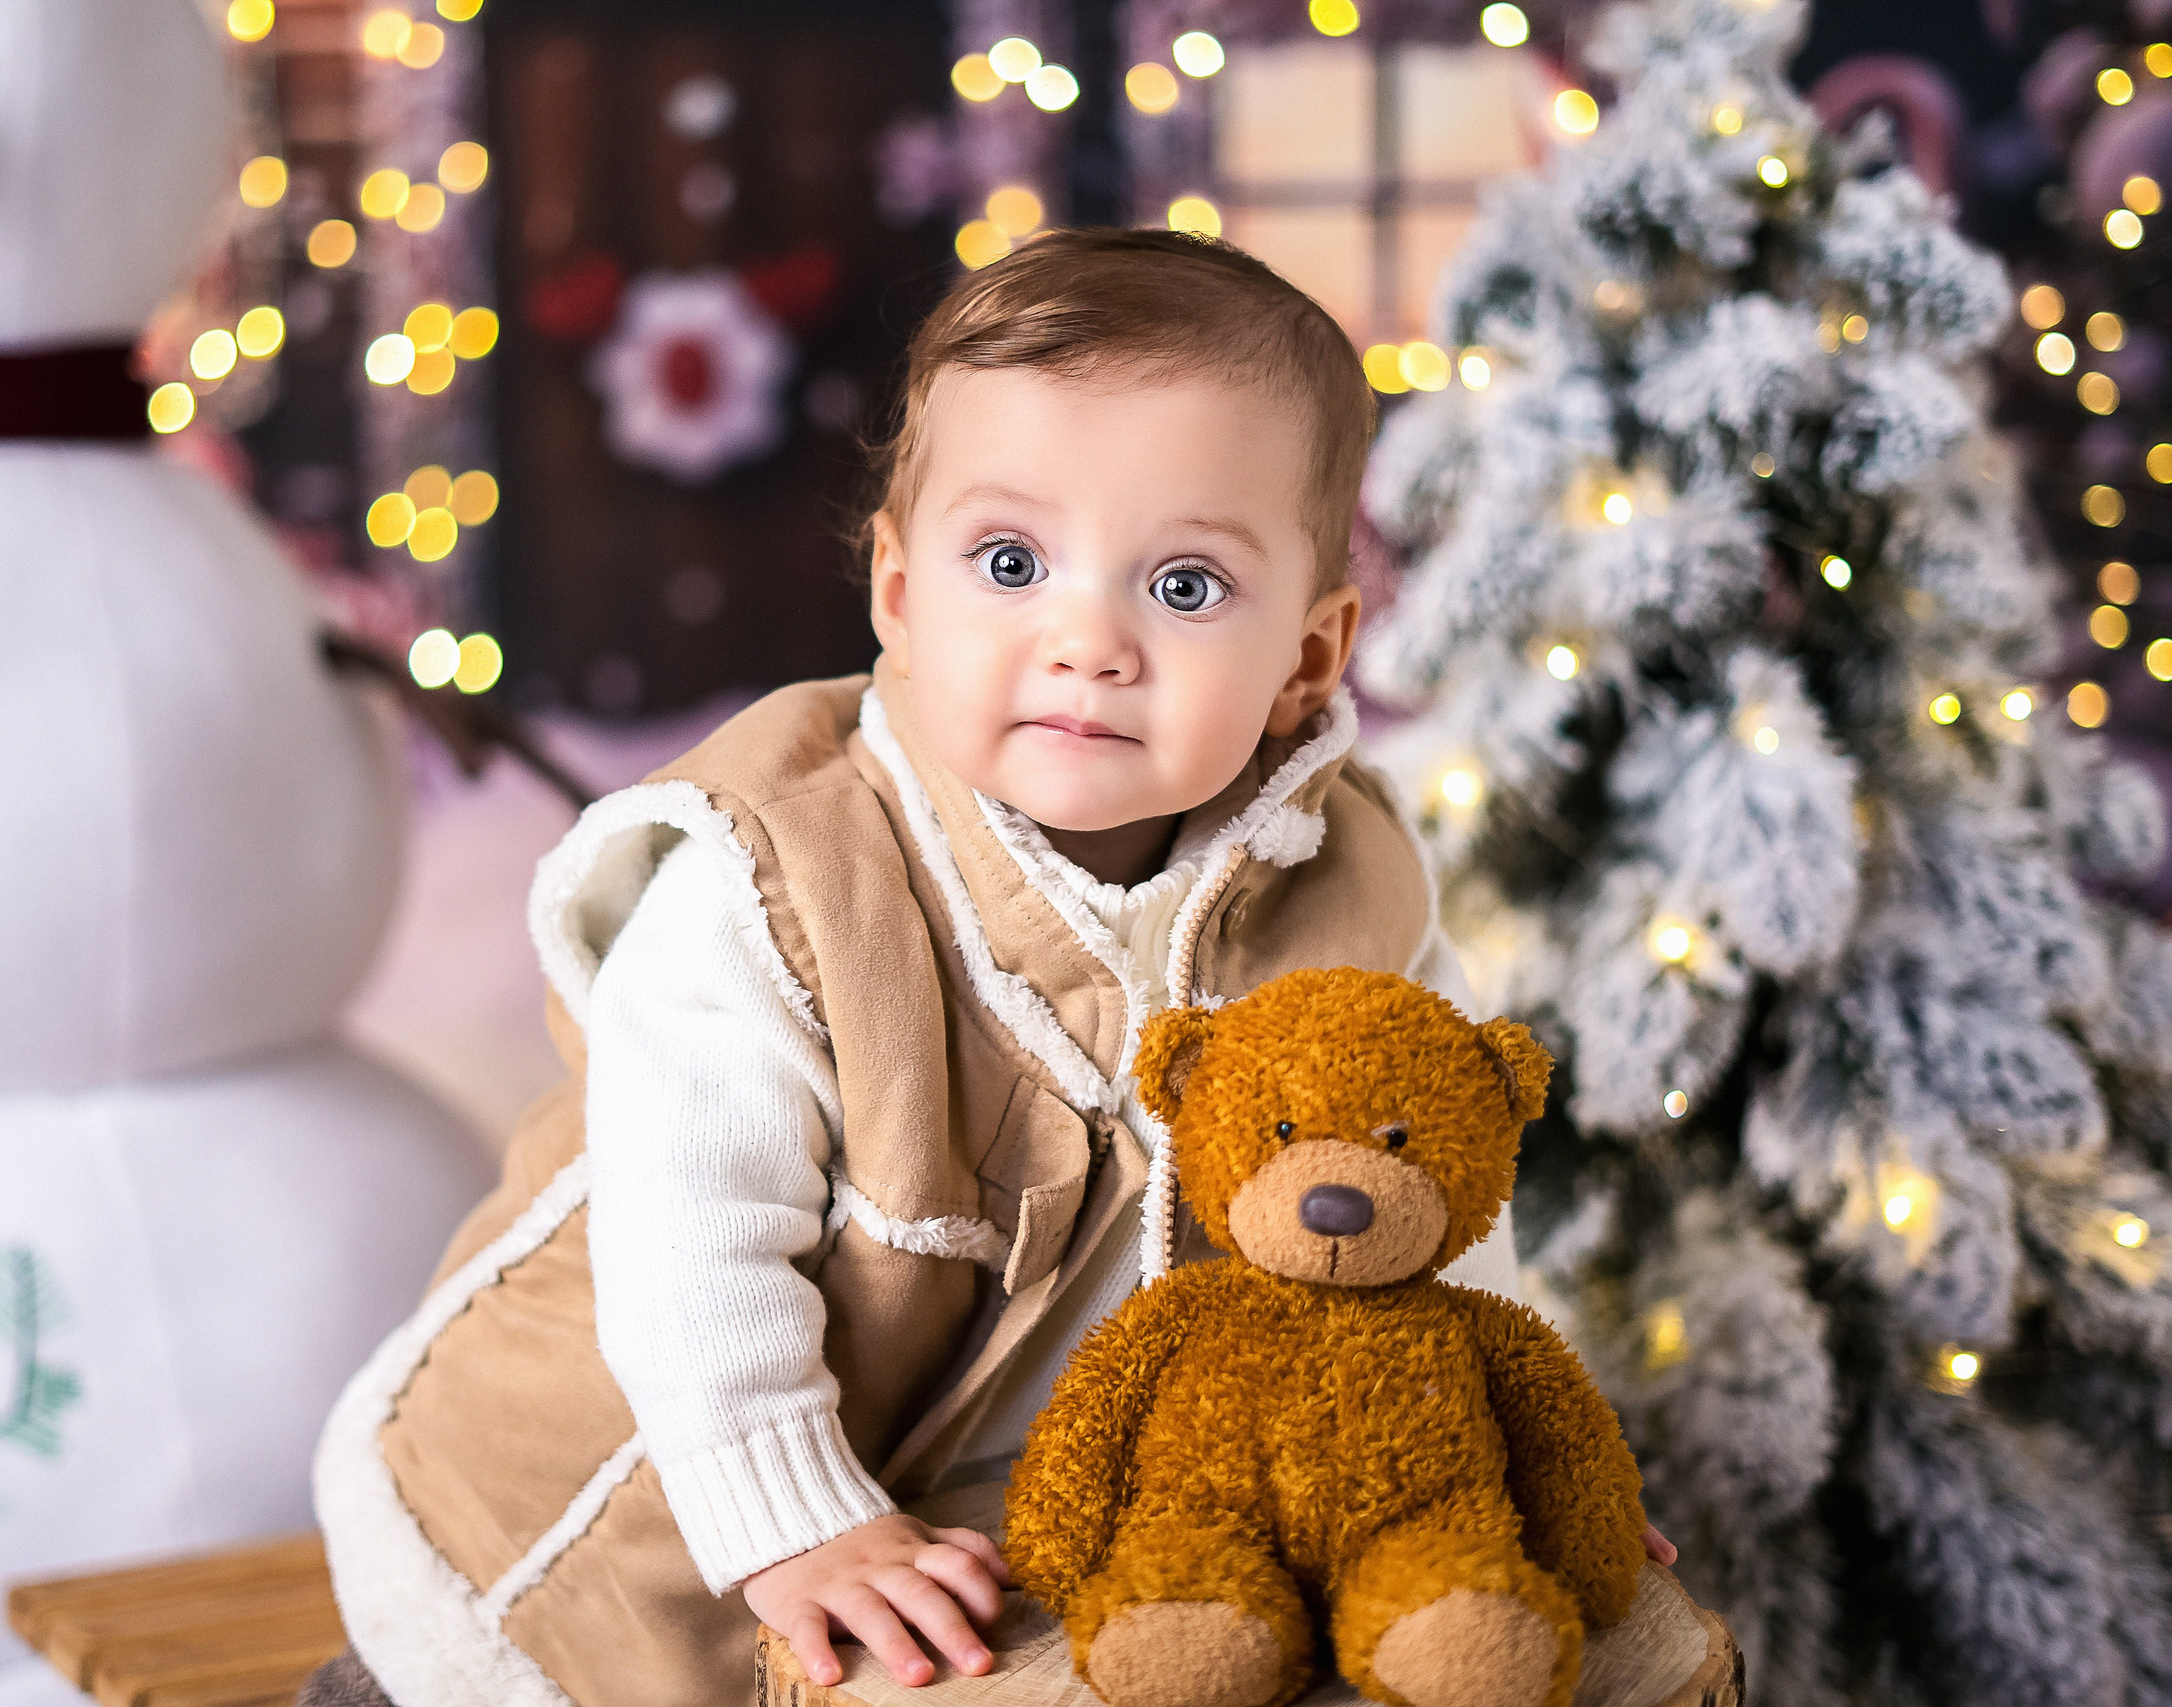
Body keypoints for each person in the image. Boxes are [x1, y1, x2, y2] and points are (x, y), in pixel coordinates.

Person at [307, 228, 1667, 1707]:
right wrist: (797, 1520)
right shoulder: (779, 881)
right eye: (1010, 564)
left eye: (1187, 586)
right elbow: (688, 1235)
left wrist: (1492, 1459)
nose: (1089, 641)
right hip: (616, 1502)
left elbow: (1431, 1205)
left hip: (1002, 1516)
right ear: (899, 593)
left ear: (1309, 659)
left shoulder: (1353, 887)